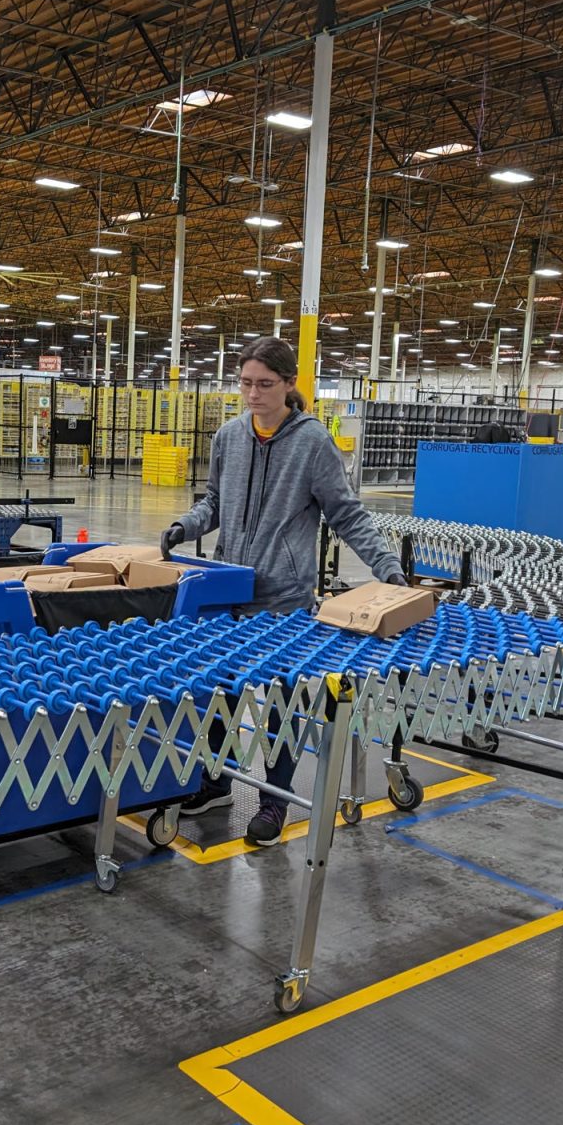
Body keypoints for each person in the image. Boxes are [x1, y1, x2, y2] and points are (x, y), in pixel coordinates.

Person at [160, 335, 407, 846]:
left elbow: (346, 513)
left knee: (280, 704)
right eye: (246, 383)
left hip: (283, 599)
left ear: (289, 384)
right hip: (227, 590)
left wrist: (386, 566)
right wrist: (186, 525)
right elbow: (213, 502)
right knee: (219, 694)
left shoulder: (313, 442)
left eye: (265, 384)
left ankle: (275, 801)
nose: (253, 394)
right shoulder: (228, 437)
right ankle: (215, 780)